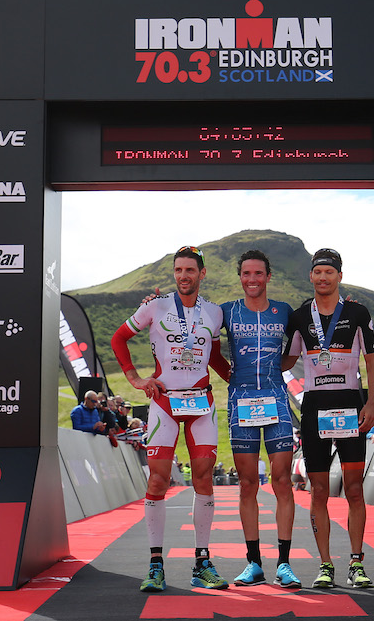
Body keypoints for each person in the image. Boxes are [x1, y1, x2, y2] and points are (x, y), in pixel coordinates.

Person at [111, 245, 228, 593]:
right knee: (158, 483)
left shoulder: (215, 312)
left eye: (190, 270)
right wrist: (135, 380)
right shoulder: (155, 306)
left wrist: (245, 379)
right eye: (178, 270)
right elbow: (119, 338)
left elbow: (217, 358)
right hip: (163, 403)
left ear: (202, 274)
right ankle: (156, 564)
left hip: (201, 403)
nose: (183, 276)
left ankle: (202, 563)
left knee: (204, 478)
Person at [283, 248, 374, 589]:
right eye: (318, 272)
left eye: (329, 272)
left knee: (354, 488)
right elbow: (287, 360)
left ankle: (356, 562)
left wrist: (371, 404)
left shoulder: (356, 312)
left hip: (350, 405)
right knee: (319, 489)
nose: (323, 277)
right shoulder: (298, 317)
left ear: (339, 276)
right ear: (311, 276)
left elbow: (371, 360)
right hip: (314, 408)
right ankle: (325, 565)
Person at [212, 250, 302, 589]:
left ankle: (284, 564)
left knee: (281, 481)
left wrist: (276, 371)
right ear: (240, 277)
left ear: (268, 276)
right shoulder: (226, 311)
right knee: (248, 484)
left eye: (258, 274)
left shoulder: (284, 311)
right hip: (241, 403)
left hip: (277, 401)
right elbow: (210, 350)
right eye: (247, 274)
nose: (253, 279)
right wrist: (233, 377)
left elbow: (297, 345)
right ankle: (254, 563)